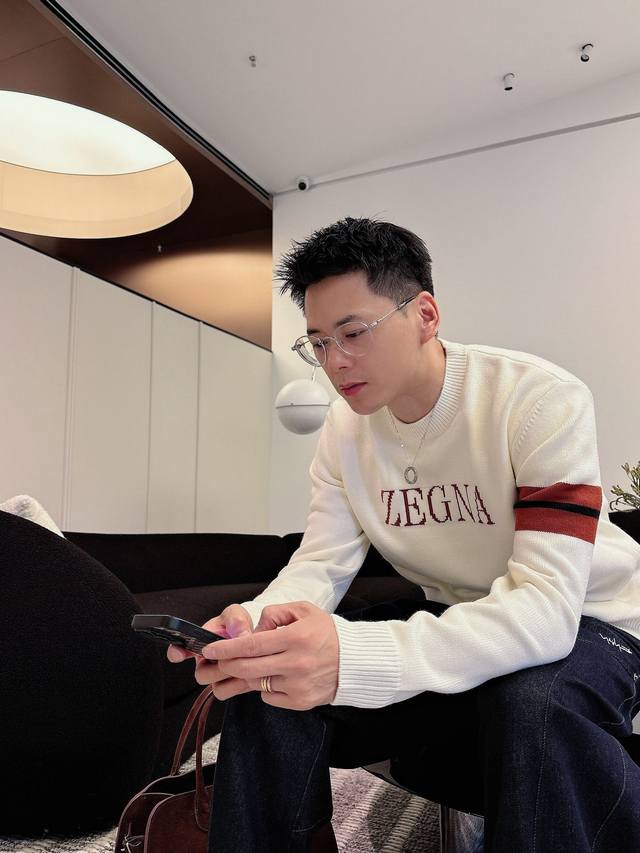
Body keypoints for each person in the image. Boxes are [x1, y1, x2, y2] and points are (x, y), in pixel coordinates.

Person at [168, 217, 640, 852]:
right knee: (270, 673)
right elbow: (320, 565)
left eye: (353, 333)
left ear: (424, 315)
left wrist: (351, 657)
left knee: (532, 701)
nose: (334, 362)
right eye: (317, 343)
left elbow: (545, 614)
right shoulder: (343, 432)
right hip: (459, 609)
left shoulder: (537, 399)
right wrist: (250, 628)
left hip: (592, 618)